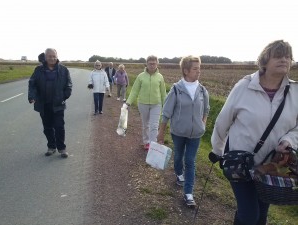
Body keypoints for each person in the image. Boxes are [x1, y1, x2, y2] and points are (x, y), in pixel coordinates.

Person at [209, 40, 298, 225]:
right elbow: (222, 121)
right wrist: (218, 152)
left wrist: (289, 140)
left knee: (260, 216)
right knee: (250, 215)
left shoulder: (295, 92)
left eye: (287, 56)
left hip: (269, 166)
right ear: (264, 61)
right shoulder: (244, 87)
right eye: (278, 55)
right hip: (239, 163)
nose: (284, 59)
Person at [157, 55, 210, 207]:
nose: (198, 71)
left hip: (196, 134)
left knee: (190, 161)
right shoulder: (176, 89)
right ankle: (179, 174)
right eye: (195, 69)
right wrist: (161, 132)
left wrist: (203, 124)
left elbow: (206, 109)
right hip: (178, 132)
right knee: (179, 156)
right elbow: (166, 112)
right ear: (186, 71)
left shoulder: (202, 90)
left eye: (199, 68)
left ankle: (188, 193)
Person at [28, 48, 72, 158]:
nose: (52, 58)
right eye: (49, 56)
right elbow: (32, 84)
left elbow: (69, 85)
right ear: (45, 57)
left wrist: (65, 96)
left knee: (59, 127)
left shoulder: (63, 70)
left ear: (57, 56)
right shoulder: (38, 70)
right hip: (43, 104)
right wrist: (32, 96)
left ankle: (62, 148)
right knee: (47, 127)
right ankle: (51, 147)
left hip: (58, 104)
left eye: (54, 56)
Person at [125, 55, 167, 150]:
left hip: (156, 104)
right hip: (143, 104)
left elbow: (163, 93)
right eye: (150, 63)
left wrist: (166, 105)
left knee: (154, 125)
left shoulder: (160, 77)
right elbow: (134, 91)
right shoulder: (140, 76)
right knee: (145, 124)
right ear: (147, 64)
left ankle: (153, 145)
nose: (152, 65)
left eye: (154, 63)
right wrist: (128, 102)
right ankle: (146, 141)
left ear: (157, 64)